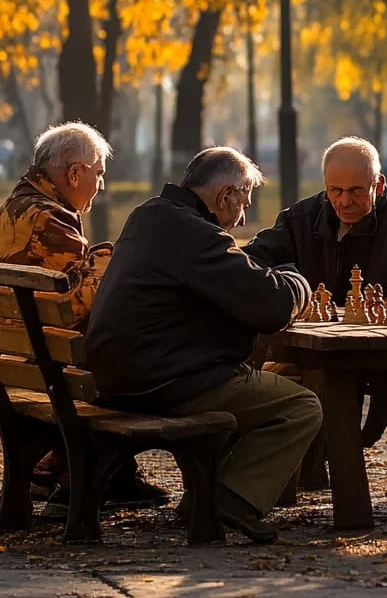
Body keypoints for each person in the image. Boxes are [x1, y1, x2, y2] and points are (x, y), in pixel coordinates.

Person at [84, 147, 322, 544]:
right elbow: (272, 308)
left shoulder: (150, 215)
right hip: (162, 383)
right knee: (300, 405)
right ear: (225, 195)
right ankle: (231, 498)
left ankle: (203, 497)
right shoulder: (196, 234)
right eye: (242, 203)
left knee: (255, 382)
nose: (241, 217)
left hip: (118, 374)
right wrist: (298, 281)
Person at [244, 136, 387, 447]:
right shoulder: (300, 219)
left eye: (357, 191)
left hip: (386, 342)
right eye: (335, 191)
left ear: (379, 185)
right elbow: (251, 263)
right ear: (325, 186)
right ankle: (323, 456)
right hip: (321, 344)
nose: (345, 201)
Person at [0, 121, 167, 517]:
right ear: (75, 173)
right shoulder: (49, 222)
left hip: (19, 367)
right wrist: (110, 258)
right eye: (99, 174)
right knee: (139, 354)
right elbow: (77, 308)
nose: (101, 185)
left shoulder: (14, 207)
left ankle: (88, 469)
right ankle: (81, 475)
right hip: (49, 372)